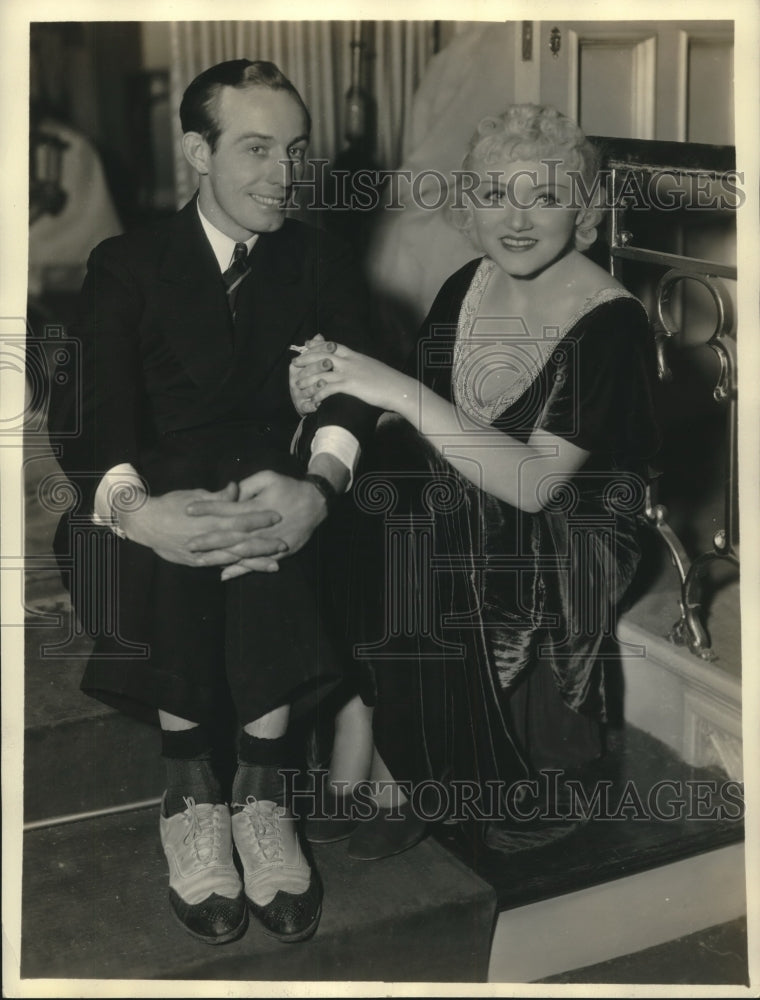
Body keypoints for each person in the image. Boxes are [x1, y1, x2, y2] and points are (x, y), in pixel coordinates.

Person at [47, 59, 375, 945]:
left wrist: (320, 487)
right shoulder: (127, 263)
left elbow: (354, 395)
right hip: (146, 510)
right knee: (189, 529)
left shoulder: (320, 259)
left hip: (281, 492)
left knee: (262, 522)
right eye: (257, 149)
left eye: (296, 150)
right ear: (198, 150)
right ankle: (192, 792)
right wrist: (136, 509)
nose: (285, 174)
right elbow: (88, 416)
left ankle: (261, 792)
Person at [291, 104, 660, 858]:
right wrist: (324, 389)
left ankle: (406, 767)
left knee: (423, 517)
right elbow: (415, 423)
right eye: (495, 195)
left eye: (544, 196)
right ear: (469, 205)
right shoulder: (470, 284)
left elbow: (534, 485)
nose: (516, 219)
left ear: (583, 211)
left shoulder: (612, 324)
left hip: (572, 527)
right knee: (356, 492)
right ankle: (360, 714)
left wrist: (394, 389)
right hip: (472, 496)